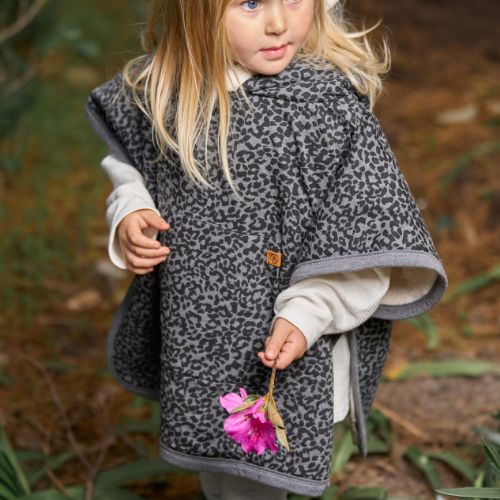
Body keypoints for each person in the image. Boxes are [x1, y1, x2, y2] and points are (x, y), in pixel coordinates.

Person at [84, 0, 448, 499]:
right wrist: (130, 208)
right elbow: (131, 165)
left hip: (293, 335)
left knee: (260, 474)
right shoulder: (168, 89)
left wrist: (308, 312)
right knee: (219, 473)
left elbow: (364, 237)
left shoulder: (324, 107)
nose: (278, 24)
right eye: (250, 3)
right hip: (201, 336)